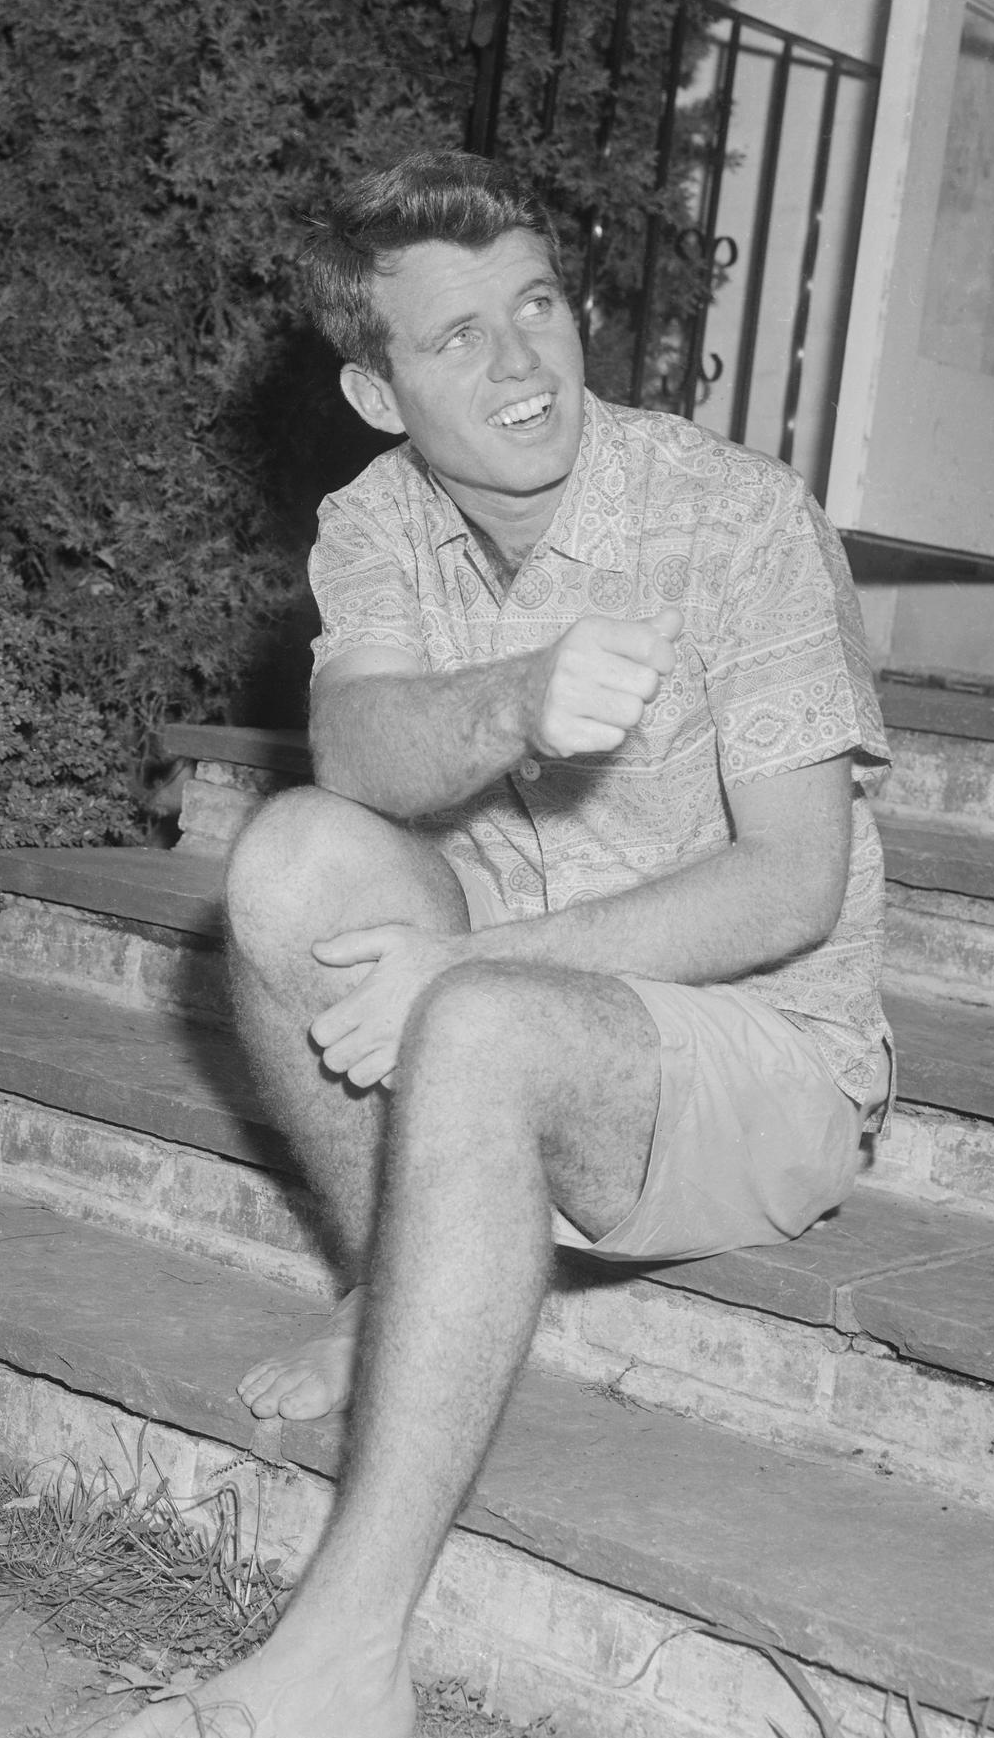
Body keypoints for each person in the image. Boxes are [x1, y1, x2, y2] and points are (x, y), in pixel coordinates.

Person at [110, 151, 890, 1737]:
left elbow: (792, 887)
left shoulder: (735, 518)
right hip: (511, 1000)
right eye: (457, 335)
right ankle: (390, 1280)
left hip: (760, 1058)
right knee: (290, 864)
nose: (524, 359)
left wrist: (471, 969)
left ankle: (349, 1655)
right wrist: (522, 696)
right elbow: (360, 754)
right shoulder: (376, 519)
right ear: (379, 391)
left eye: (536, 305)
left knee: (473, 1022)